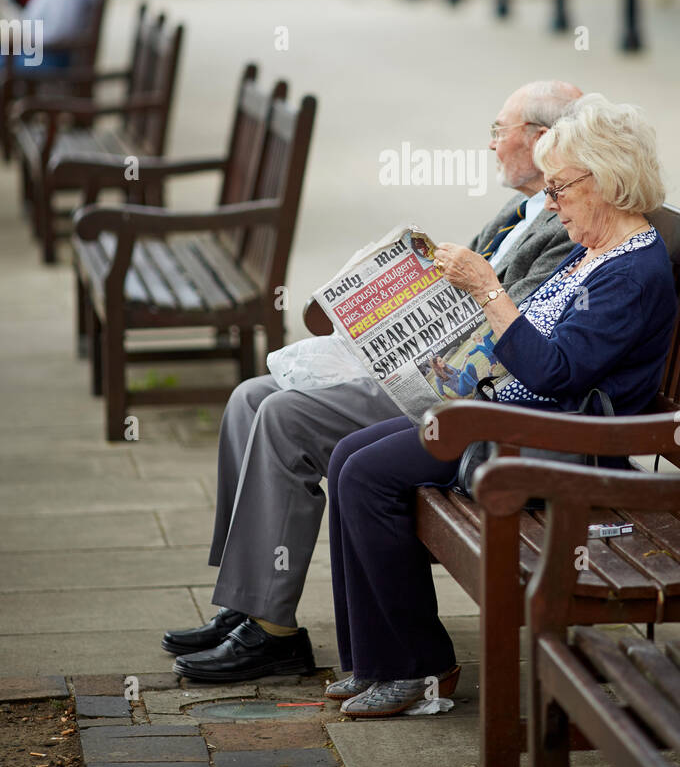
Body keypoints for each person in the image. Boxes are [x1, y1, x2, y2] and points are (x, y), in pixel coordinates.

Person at [163, 79, 583, 682]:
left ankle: (271, 631)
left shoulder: (564, 226)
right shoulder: (521, 210)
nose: (491, 146)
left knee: (283, 416)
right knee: (250, 397)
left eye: (499, 131)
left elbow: (503, 337)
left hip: (451, 393)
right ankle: (246, 604)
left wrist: (441, 301)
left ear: (541, 140)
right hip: (421, 370)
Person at [323, 93, 678, 716]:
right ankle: (373, 658)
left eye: (561, 186)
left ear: (606, 180)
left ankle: (420, 669)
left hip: (553, 440)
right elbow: (536, 348)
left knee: (366, 477)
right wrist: (445, 354)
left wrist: (488, 287)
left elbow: (559, 371)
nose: (553, 200)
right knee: (349, 455)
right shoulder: (596, 248)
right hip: (510, 414)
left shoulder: (631, 271)